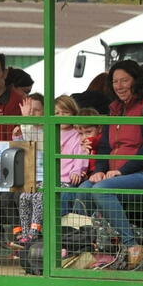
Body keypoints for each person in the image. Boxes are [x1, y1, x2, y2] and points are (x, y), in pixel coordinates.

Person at [75, 60, 143, 268]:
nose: (119, 86)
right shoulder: (114, 109)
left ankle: (133, 247)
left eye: (124, 81)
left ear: (136, 81)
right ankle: (82, 250)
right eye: (115, 82)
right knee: (85, 187)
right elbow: (104, 147)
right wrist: (100, 171)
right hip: (115, 174)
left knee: (102, 190)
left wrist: (121, 171)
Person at [12, 95, 89, 250]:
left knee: (40, 196)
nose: (61, 116)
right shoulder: (49, 130)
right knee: (24, 196)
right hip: (48, 179)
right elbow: (30, 138)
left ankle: (34, 233)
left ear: (73, 113)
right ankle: (26, 234)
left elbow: (83, 153)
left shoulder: (76, 133)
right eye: (57, 113)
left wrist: (77, 169)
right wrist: (26, 119)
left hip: (65, 180)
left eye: (65, 112)